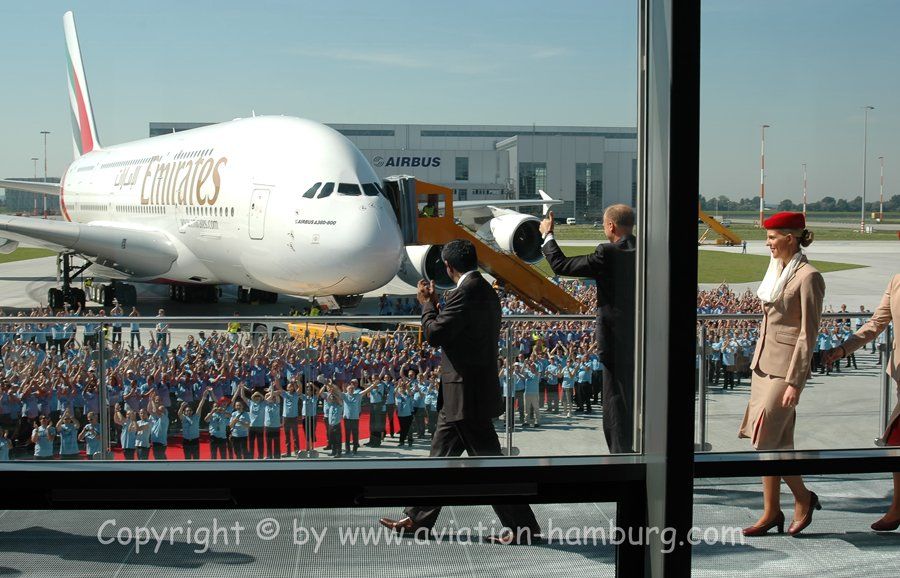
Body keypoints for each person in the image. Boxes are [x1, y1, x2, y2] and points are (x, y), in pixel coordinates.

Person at [379, 239, 542, 545]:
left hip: (465, 395)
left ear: (448, 266)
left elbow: (434, 334)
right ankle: (418, 519)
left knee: (489, 466)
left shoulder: (464, 293)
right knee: (439, 458)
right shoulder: (485, 290)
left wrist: (427, 304)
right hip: (466, 393)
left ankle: (523, 527)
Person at [737, 212, 825, 537]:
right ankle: (771, 511)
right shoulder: (776, 270)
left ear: (790, 238)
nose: (768, 243)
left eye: (773, 237)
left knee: (766, 442)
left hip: (785, 371)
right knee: (779, 442)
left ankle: (802, 497)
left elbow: (808, 334)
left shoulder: (809, 277)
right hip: (763, 365)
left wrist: (795, 381)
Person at [540, 204, 636, 452]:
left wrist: (548, 235)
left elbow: (561, 265)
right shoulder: (648, 251)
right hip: (646, 337)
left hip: (616, 340)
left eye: (604, 224)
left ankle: (621, 456)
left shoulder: (607, 252)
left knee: (615, 400)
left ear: (611, 226)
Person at [823, 274, 900, 532]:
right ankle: (898, 506)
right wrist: (844, 349)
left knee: (896, 439)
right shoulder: (897, 281)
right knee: (896, 441)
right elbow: (877, 323)